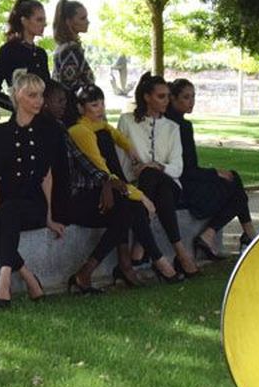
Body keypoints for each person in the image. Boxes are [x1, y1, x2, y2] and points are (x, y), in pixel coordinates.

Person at [62, 84, 184, 286]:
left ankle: (93, 271)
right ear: (81, 108)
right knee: (132, 207)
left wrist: (132, 153)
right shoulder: (80, 131)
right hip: (84, 194)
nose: (100, 109)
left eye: (102, 103)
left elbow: (118, 137)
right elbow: (102, 171)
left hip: (105, 190)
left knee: (131, 207)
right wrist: (142, 196)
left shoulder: (100, 127)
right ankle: (153, 262)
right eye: (94, 105)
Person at [0, 71, 65, 307]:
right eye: (32, 95)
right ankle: (26, 274)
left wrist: (48, 217)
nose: (39, 101)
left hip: (32, 203)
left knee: (10, 210)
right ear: (17, 95)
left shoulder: (48, 131)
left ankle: (3, 281)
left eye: (41, 95)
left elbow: (47, 176)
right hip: (5, 201)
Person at [116, 73, 202, 276]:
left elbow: (177, 168)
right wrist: (141, 170)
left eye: (167, 96)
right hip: (139, 186)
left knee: (153, 176)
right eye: (161, 96)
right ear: (147, 97)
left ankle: (141, 248)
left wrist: (156, 166)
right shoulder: (127, 121)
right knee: (150, 179)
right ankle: (180, 253)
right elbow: (121, 161)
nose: (167, 101)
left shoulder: (173, 127)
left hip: (170, 185)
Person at [166, 78, 257, 259]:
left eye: (193, 96)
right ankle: (247, 236)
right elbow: (186, 169)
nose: (191, 101)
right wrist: (214, 172)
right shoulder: (178, 126)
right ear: (173, 99)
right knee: (235, 186)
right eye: (186, 97)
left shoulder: (178, 123)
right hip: (183, 185)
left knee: (234, 182)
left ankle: (238, 235)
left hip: (185, 179)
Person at [0, 0, 49, 112]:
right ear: (24, 21)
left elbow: (48, 89)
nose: (44, 24)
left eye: (44, 20)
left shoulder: (41, 54)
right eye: (39, 20)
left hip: (42, 120)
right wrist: (17, 106)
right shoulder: (9, 51)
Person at [51, 0, 95, 95]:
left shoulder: (64, 47)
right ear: (69, 22)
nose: (87, 22)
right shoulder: (70, 50)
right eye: (82, 18)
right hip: (73, 106)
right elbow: (70, 86)